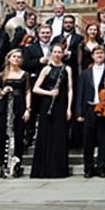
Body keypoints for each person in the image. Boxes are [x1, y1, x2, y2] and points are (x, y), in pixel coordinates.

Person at [30, 44, 73, 179]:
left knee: (60, 136)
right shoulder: (46, 69)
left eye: (59, 52)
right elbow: (35, 89)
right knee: (47, 135)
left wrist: (69, 108)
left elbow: (70, 89)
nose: (57, 54)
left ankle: (58, 170)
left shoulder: (67, 69)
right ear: (51, 53)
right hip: (48, 103)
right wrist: (49, 93)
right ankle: (44, 169)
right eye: (55, 52)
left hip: (62, 102)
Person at [75, 45, 105, 178]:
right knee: (88, 140)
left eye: (101, 53)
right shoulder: (86, 73)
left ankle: (101, 167)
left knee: (104, 140)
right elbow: (80, 93)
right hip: (90, 109)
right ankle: (88, 168)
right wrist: (79, 113)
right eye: (97, 53)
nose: (99, 55)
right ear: (92, 56)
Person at [0, 49, 32, 178]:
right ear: (9, 58)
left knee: (19, 136)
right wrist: (4, 91)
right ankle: (3, 166)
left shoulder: (24, 74)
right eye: (14, 56)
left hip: (19, 106)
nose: (17, 59)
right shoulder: (2, 75)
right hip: (6, 107)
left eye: (19, 57)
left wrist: (28, 109)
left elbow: (27, 92)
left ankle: (16, 166)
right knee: (4, 136)